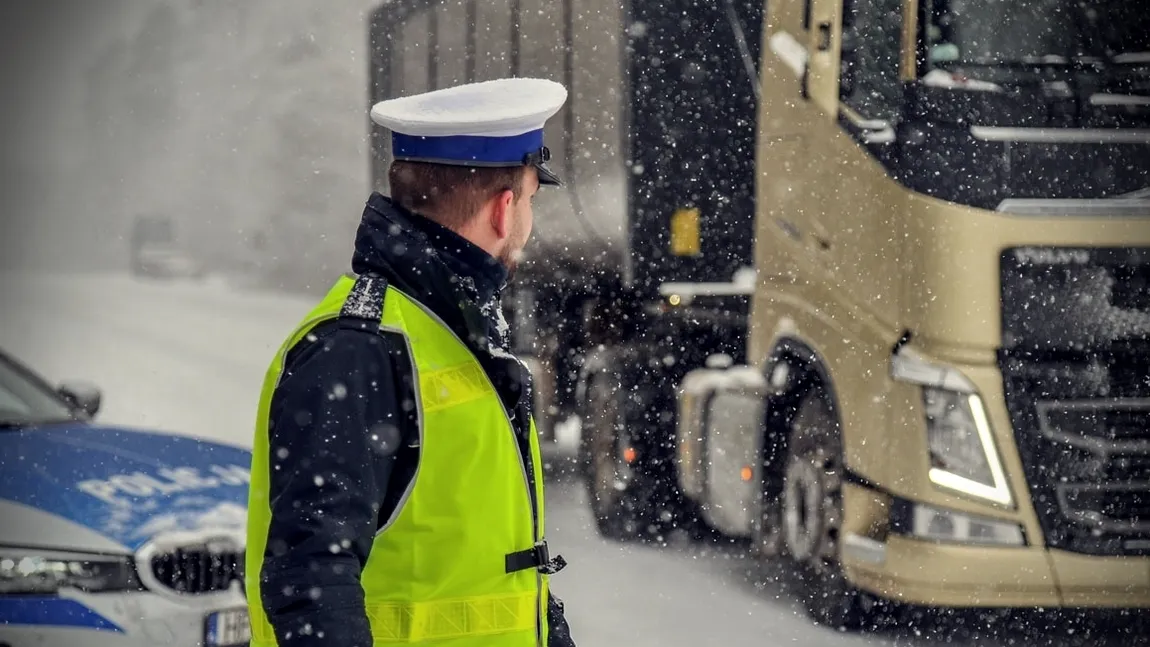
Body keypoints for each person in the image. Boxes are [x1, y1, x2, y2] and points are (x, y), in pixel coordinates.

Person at [244, 78, 576, 647]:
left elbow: (494, 573)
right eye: (530, 202)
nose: (528, 225)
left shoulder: (452, 329)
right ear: (503, 209)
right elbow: (310, 578)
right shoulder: (356, 347)